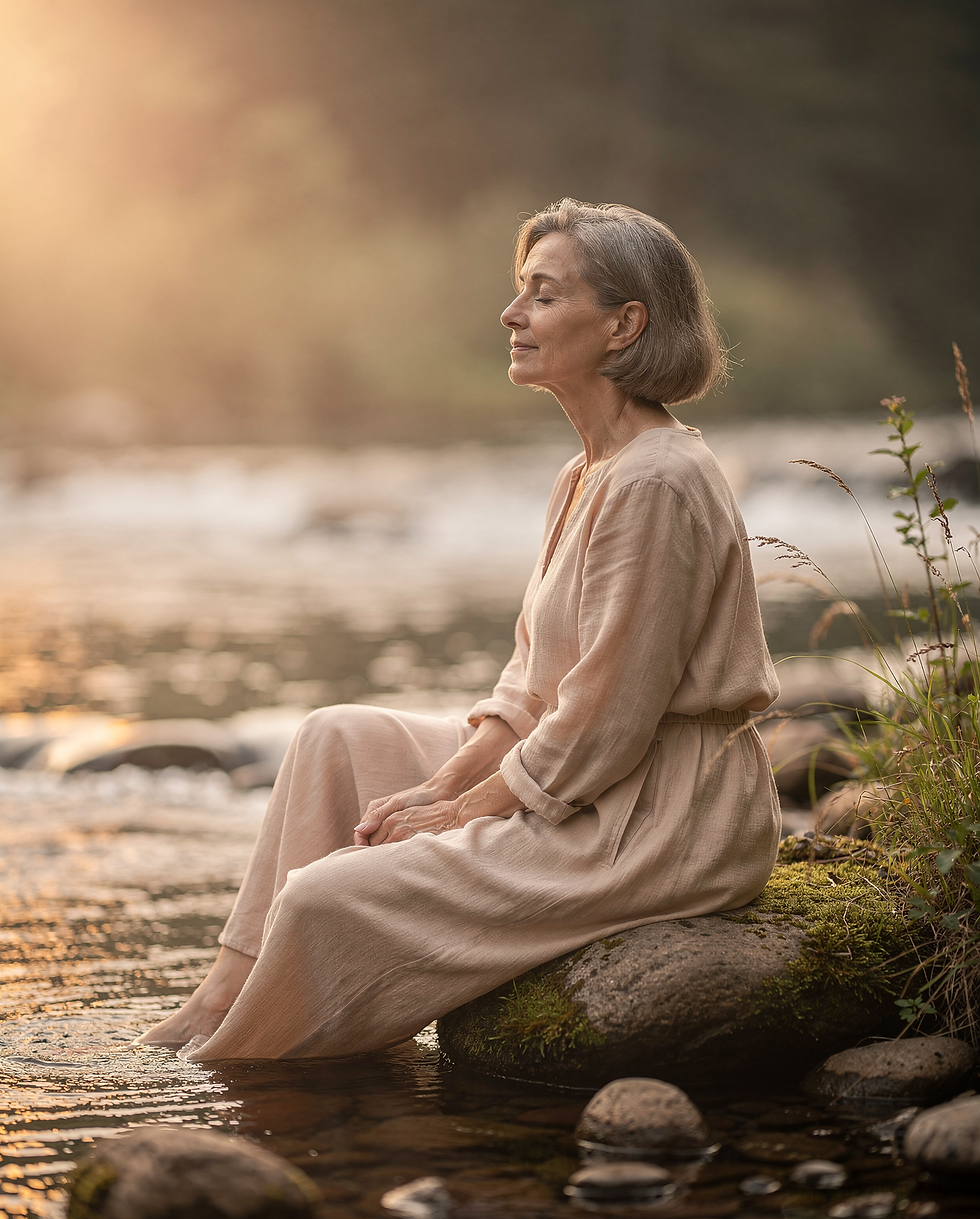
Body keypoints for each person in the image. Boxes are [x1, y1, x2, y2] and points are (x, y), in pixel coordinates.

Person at [138, 198, 780, 1061]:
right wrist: (444, 786)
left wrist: (460, 815)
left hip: (663, 819)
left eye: (545, 296)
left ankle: (242, 1074)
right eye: (522, 292)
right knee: (333, 739)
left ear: (625, 324)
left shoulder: (657, 483)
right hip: (596, 773)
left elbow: (607, 721)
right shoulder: (586, 473)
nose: (513, 315)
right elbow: (528, 688)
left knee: (325, 900)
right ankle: (218, 998)